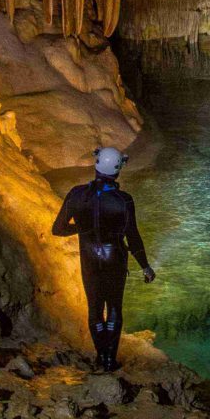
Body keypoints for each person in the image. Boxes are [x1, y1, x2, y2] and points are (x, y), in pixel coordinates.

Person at [52, 146, 156, 372]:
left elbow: (58, 229)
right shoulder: (124, 200)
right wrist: (145, 267)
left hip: (90, 260)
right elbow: (133, 236)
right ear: (118, 171)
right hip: (115, 260)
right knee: (114, 308)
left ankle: (102, 358)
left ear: (96, 166)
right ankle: (110, 359)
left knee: (95, 310)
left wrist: (81, 229)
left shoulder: (76, 194)